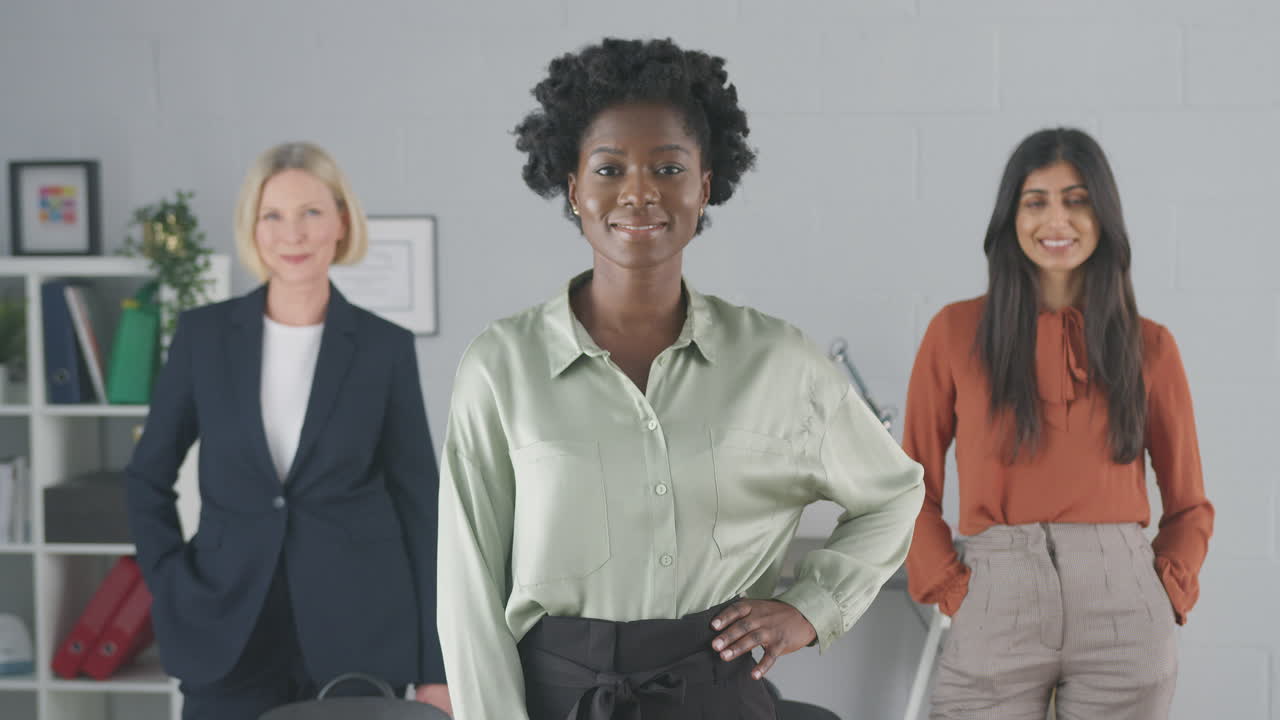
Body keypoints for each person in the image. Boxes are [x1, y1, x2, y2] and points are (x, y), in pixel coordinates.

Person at [436, 38, 925, 720]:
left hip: (719, 696)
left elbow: (894, 493)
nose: (639, 192)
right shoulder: (501, 366)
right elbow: (468, 590)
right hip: (555, 701)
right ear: (574, 189)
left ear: (704, 185)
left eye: (668, 167)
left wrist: (810, 608)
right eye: (609, 169)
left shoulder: (780, 362)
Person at [125, 142, 450, 719]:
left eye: (311, 213)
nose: (291, 233)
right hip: (225, 627)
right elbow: (147, 475)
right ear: (252, 227)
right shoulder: (203, 338)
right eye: (272, 215)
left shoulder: (383, 347)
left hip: (358, 633)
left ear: (341, 222)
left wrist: (436, 667)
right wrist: (170, 581)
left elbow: (420, 506)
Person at [903, 128, 1214, 719]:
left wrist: (1166, 590)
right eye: (1036, 201)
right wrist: (951, 589)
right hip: (996, 596)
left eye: (1076, 200)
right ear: (1010, 217)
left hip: (1124, 609)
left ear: (1103, 216)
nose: (1057, 220)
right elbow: (907, 486)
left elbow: (1190, 505)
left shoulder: (1151, 347)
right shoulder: (954, 333)